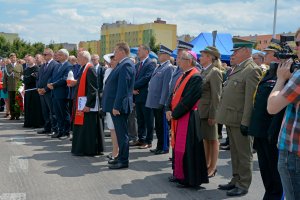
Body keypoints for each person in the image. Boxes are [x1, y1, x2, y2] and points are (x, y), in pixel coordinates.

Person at [216, 38, 262, 197]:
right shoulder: (238, 68)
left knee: (243, 154)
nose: (233, 54)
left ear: (246, 51)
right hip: (231, 118)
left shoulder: (252, 70)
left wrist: (246, 122)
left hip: (240, 119)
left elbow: (251, 99)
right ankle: (235, 180)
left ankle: (243, 184)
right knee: (235, 153)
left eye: (236, 51)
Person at [166, 50, 208, 187]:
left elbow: (189, 100)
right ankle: (179, 174)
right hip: (179, 115)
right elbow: (173, 94)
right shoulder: (182, 75)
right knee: (179, 147)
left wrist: (174, 113)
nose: (177, 61)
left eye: (180, 58)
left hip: (188, 117)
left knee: (189, 149)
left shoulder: (196, 77)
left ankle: (189, 178)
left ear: (189, 61)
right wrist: (168, 108)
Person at [267, 28, 300, 200]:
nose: (297, 49)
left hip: (293, 152)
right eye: (298, 44)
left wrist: (280, 79)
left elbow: (272, 107)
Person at [248, 43, 284, 200]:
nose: (265, 56)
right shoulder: (269, 73)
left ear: (277, 55)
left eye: (268, 53)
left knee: (275, 171)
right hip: (261, 131)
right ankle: (269, 194)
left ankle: (275, 195)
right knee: (265, 169)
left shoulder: (283, 76)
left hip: (272, 132)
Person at [102, 42, 135, 169]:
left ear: (122, 51)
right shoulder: (123, 64)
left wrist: (116, 106)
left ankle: (123, 160)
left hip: (119, 106)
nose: (114, 54)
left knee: (122, 134)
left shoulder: (126, 65)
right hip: (117, 105)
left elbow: (122, 88)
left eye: (115, 51)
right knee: (120, 134)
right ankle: (119, 158)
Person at [71, 50, 104, 156]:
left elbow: (93, 89)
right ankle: (82, 148)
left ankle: (88, 149)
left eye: (79, 57)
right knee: (82, 128)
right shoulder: (84, 68)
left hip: (87, 105)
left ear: (85, 58)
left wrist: (88, 105)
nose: (77, 58)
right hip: (82, 102)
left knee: (88, 128)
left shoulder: (90, 69)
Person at [198, 46, 223, 178]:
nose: (200, 57)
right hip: (202, 111)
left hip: (209, 112)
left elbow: (216, 96)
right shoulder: (204, 71)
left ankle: (212, 167)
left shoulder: (214, 72)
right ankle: (206, 164)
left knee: (213, 140)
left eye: (202, 55)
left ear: (209, 57)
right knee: (205, 139)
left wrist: (214, 115)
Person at [146, 45, 173, 154]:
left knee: (162, 126)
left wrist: (163, 102)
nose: (159, 55)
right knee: (158, 126)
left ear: (166, 55)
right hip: (155, 101)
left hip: (160, 102)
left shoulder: (168, 67)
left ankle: (164, 147)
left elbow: (166, 87)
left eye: (161, 54)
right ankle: (159, 146)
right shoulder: (159, 66)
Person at [130, 45, 155, 149]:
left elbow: (146, 78)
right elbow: (133, 78)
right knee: (140, 119)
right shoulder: (137, 65)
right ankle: (141, 139)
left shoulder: (151, 63)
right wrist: (132, 90)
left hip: (146, 96)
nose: (138, 52)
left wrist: (132, 86)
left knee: (148, 119)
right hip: (138, 96)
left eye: (140, 50)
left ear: (146, 51)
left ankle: (148, 141)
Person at [47, 49, 72, 138]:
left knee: (64, 113)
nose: (58, 56)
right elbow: (52, 77)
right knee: (57, 113)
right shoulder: (57, 66)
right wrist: (49, 83)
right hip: (54, 93)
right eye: (58, 55)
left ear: (66, 56)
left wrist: (53, 84)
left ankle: (67, 131)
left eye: (60, 55)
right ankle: (60, 131)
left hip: (62, 93)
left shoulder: (68, 66)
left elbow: (65, 78)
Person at [37, 48, 58, 135]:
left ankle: (54, 129)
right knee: (45, 111)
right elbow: (39, 78)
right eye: (43, 54)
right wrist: (38, 88)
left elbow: (53, 79)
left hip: (49, 92)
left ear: (50, 55)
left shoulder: (55, 65)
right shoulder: (43, 65)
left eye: (45, 54)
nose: (43, 56)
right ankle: (47, 127)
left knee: (52, 111)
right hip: (41, 92)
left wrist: (45, 89)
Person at [103, 53, 119, 161]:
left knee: (117, 129)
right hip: (108, 103)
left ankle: (117, 152)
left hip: (115, 104)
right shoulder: (108, 71)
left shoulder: (119, 71)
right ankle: (114, 150)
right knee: (112, 128)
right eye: (111, 59)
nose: (111, 61)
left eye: (114, 59)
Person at [23, 55, 44, 128]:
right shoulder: (26, 69)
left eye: (29, 60)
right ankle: (28, 122)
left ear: (33, 60)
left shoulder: (37, 68)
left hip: (34, 90)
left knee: (34, 108)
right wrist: (29, 77)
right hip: (27, 90)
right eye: (27, 60)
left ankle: (35, 123)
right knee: (27, 107)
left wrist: (28, 78)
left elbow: (33, 79)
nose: (28, 61)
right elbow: (25, 80)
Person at [3, 53, 23, 120]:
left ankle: (17, 115)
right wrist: (4, 87)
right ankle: (12, 115)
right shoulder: (7, 66)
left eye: (14, 57)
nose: (13, 59)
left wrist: (22, 86)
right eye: (11, 58)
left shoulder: (20, 66)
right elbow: (4, 78)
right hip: (10, 87)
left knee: (17, 101)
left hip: (18, 87)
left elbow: (22, 76)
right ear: (10, 59)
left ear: (16, 58)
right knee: (11, 101)